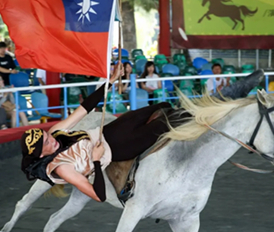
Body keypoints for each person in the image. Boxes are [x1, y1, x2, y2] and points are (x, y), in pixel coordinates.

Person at [20, 64, 186, 203]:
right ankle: (203, 120)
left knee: (162, 106)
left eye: (47, 136)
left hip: (110, 131)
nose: (51, 139)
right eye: (47, 143)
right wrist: (97, 160)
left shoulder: (55, 132)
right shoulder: (62, 168)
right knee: (165, 123)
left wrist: (110, 81)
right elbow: (99, 196)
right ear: (41, 155)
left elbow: (84, 108)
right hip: (118, 149)